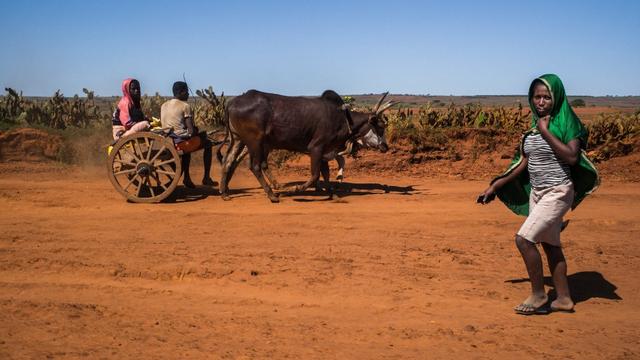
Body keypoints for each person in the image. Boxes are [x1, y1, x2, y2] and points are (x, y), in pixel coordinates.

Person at [478, 74, 599, 315]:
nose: (541, 102)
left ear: (557, 97)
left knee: (524, 239)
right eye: (536, 97)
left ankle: (539, 294)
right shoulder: (533, 129)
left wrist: (546, 131)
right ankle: (563, 298)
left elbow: (572, 157)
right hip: (538, 193)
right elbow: (522, 163)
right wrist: (496, 186)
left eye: (546, 97)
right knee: (550, 245)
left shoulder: (567, 123)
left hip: (558, 191)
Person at [160, 81, 214, 188]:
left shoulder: (164, 105)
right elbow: (190, 131)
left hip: (168, 140)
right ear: (180, 92)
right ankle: (206, 177)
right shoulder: (185, 106)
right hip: (179, 143)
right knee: (208, 143)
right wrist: (196, 130)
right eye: (186, 92)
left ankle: (187, 178)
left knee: (187, 144)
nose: (189, 94)